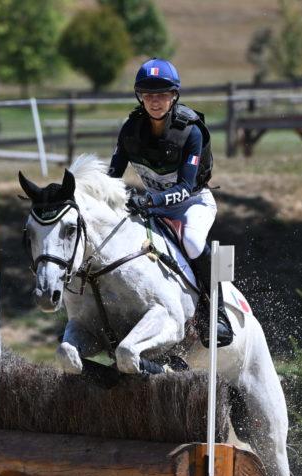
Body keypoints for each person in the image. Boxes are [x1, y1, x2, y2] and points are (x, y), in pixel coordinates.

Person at [107, 58, 232, 348]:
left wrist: (149, 200)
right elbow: (112, 176)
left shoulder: (191, 131)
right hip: (151, 205)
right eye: (148, 95)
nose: (155, 101)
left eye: (162, 94)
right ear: (140, 97)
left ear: (174, 96)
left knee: (190, 240)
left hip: (192, 203)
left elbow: (186, 186)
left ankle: (218, 313)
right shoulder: (130, 130)